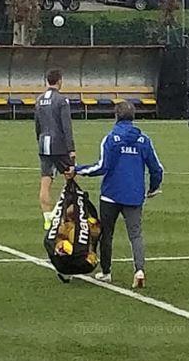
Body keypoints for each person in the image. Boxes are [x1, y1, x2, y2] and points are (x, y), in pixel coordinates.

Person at [73, 100, 163, 288]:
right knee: (135, 234)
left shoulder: (111, 139)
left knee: (106, 234)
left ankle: (106, 272)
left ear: (116, 116)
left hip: (111, 194)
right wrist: (153, 188)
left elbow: (102, 166)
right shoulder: (144, 140)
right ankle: (139, 270)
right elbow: (156, 169)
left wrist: (78, 170)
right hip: (134, 194)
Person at [35, 68, 76, 230]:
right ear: (59, 81)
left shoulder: (39, 100)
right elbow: (67, 126)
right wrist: (71, 148)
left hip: (43, 144)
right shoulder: (62, 100)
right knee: (72, 181)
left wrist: (38, 140)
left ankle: (47, 218)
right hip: (59, 145)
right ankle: (63, 214)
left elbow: (37, 125)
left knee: (45, 183)